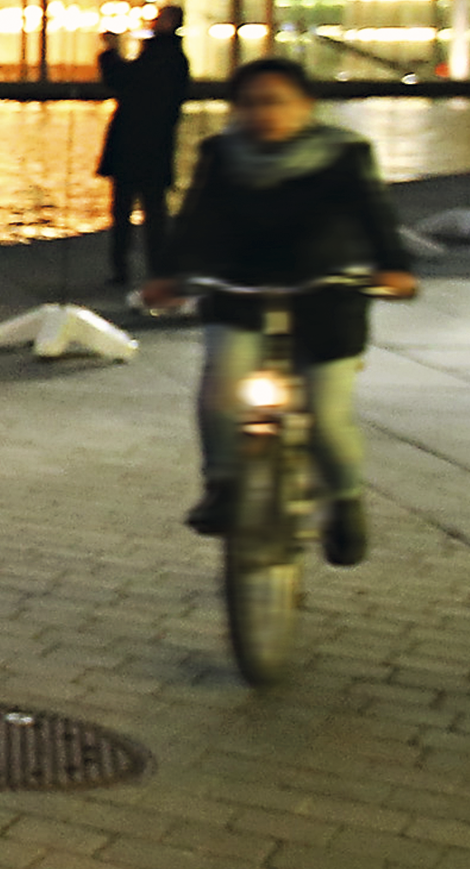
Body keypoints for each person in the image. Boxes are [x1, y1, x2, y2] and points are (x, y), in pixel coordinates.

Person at [138, 60, 419, 566]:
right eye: (250, 103)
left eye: (276, 101)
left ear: (305, 105)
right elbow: (197, 218)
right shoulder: (221, 153)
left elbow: (374, 215)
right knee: (221, 386)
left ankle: (344, 500)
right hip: (240, 289)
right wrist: (170, 275)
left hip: (327, 292)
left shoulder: (344, 153)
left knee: (326, 416)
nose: (263, 113)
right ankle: (222, 483)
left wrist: (393, 269)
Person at [95, 4, 195, 292]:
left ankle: (123, 269)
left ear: (171, 23)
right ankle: (155, 268)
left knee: (128, 210)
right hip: (155, 145)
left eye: (161, 18)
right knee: (153, 211)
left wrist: (111, 53)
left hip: (134, 144)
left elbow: (124, 81)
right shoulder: (173, 58)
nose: (154, 21)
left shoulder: (160, 57)